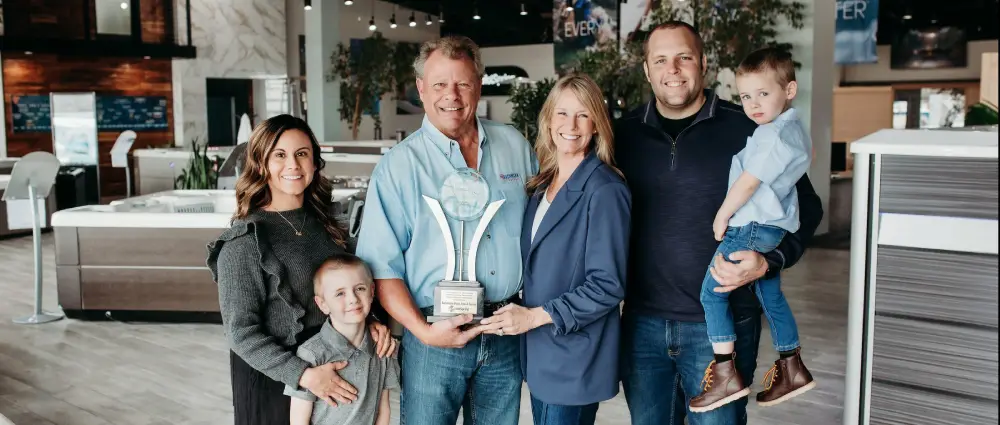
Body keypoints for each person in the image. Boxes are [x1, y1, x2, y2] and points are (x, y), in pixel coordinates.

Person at [613, 22, 824, 425]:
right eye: (661, 60)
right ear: (646, 69)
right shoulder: (622, 134)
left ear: (704, 63)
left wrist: (771, 261)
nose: (673, 69)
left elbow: (808, 207)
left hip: (723, 326)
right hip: (642, 325)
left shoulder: (749, 125)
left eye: (684, 57)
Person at [354, 35, 537, 425]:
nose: (451, 96)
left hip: (504, 331)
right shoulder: (399, 166)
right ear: (421, 88)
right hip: (433, 337)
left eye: (462, 83)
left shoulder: (514, 146)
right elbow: (381, 268)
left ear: (478, 85)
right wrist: (423, 332)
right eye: (439, 84)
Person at [206, 115, 396, 425]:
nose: (293, 165)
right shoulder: (244, 242)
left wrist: (371, 321)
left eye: (302, 153)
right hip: (275, 380)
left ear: (315, 162)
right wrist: (304, 375)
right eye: (279, 155)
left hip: (333, 369)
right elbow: (241, 333)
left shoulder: (328, 225)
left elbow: (350, 285)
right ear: (260, 164)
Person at [477, 74, 631, 425]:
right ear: (548, 120)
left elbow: (608, 285)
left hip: (575, 355)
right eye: (562, 113)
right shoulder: (541, 185)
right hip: (540, 351)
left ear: (597, 124)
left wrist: (532, 317)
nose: (570, 126)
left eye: (583, 115)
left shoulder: (605, 190)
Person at [689, 47, 816, 413]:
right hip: (772, 228)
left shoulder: (773, 135)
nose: (753, 104)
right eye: (745, 96)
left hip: (750, 226)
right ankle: (792, 366)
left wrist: (722, 215)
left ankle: (725, 374)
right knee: (770, 296)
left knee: (712, 293)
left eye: (763, 93)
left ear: (789, 90)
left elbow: (749, 181)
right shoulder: (793, 129)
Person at [284, 253, 400, 425]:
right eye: (340, 293)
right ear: (323, 304)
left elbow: (384, 410)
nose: (353, 299)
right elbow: (298, 421)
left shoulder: (383, 347)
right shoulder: (311, 353)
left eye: (360, 289)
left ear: (372, 292)